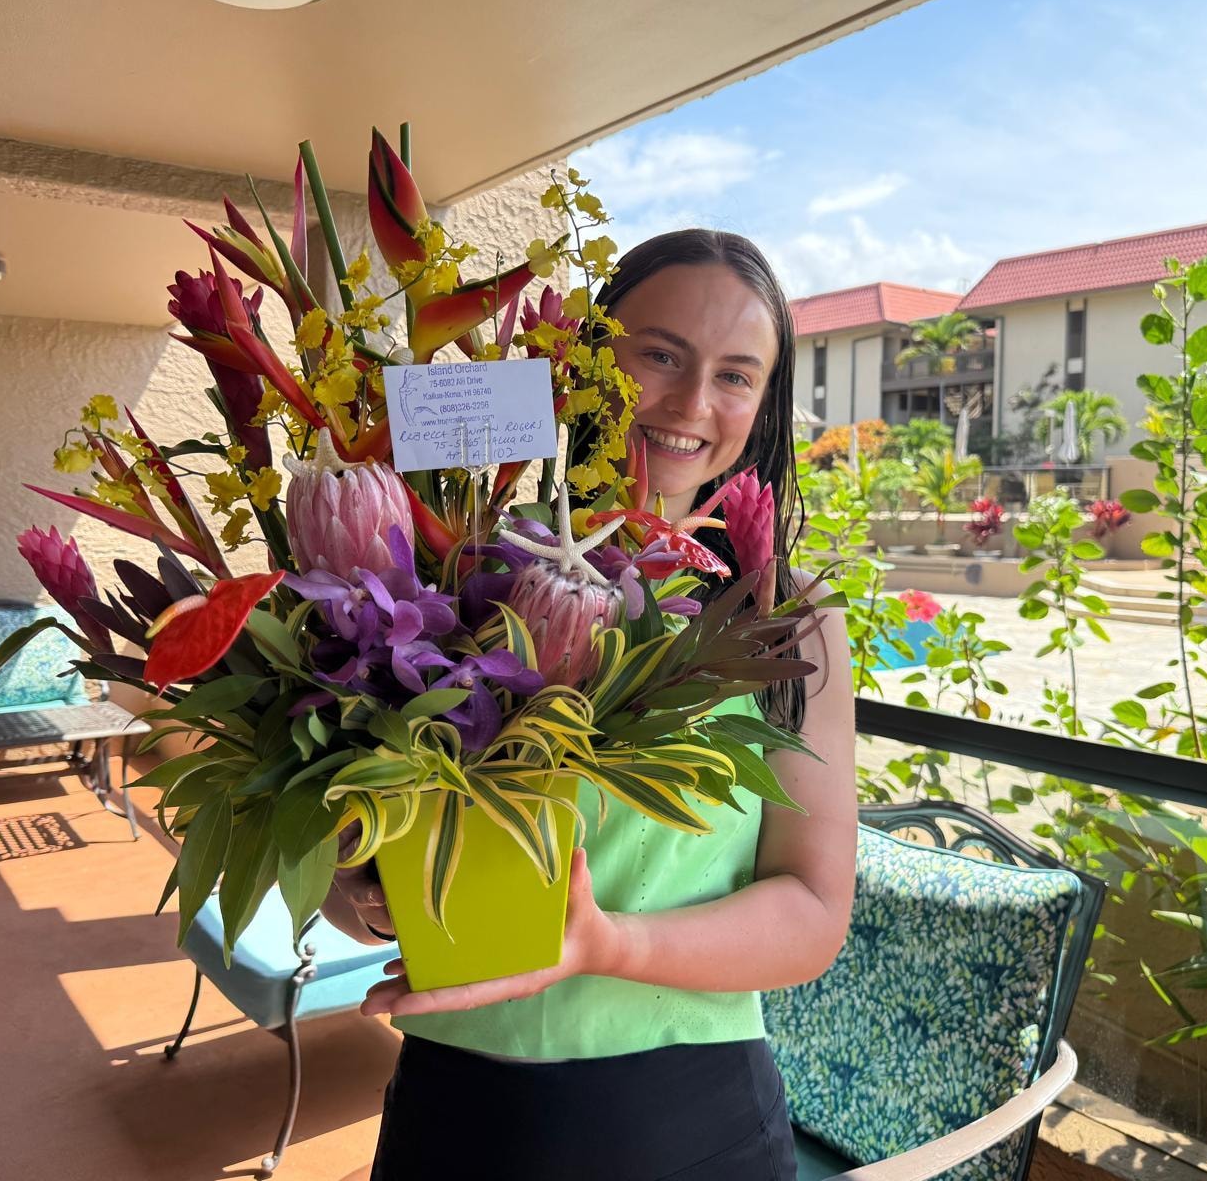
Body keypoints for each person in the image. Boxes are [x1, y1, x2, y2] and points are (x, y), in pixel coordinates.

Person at [320, 229, 857, 1181]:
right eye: (661, 356)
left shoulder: (786, 616)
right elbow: (350, 862)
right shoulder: (463, 572)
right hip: (454, 1106)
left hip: (688, 1123)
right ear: (584, 364)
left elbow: (814, 912)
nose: (692, 404)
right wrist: (364, 893)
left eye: (736, 376)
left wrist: (609, 944)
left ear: (765, 405)